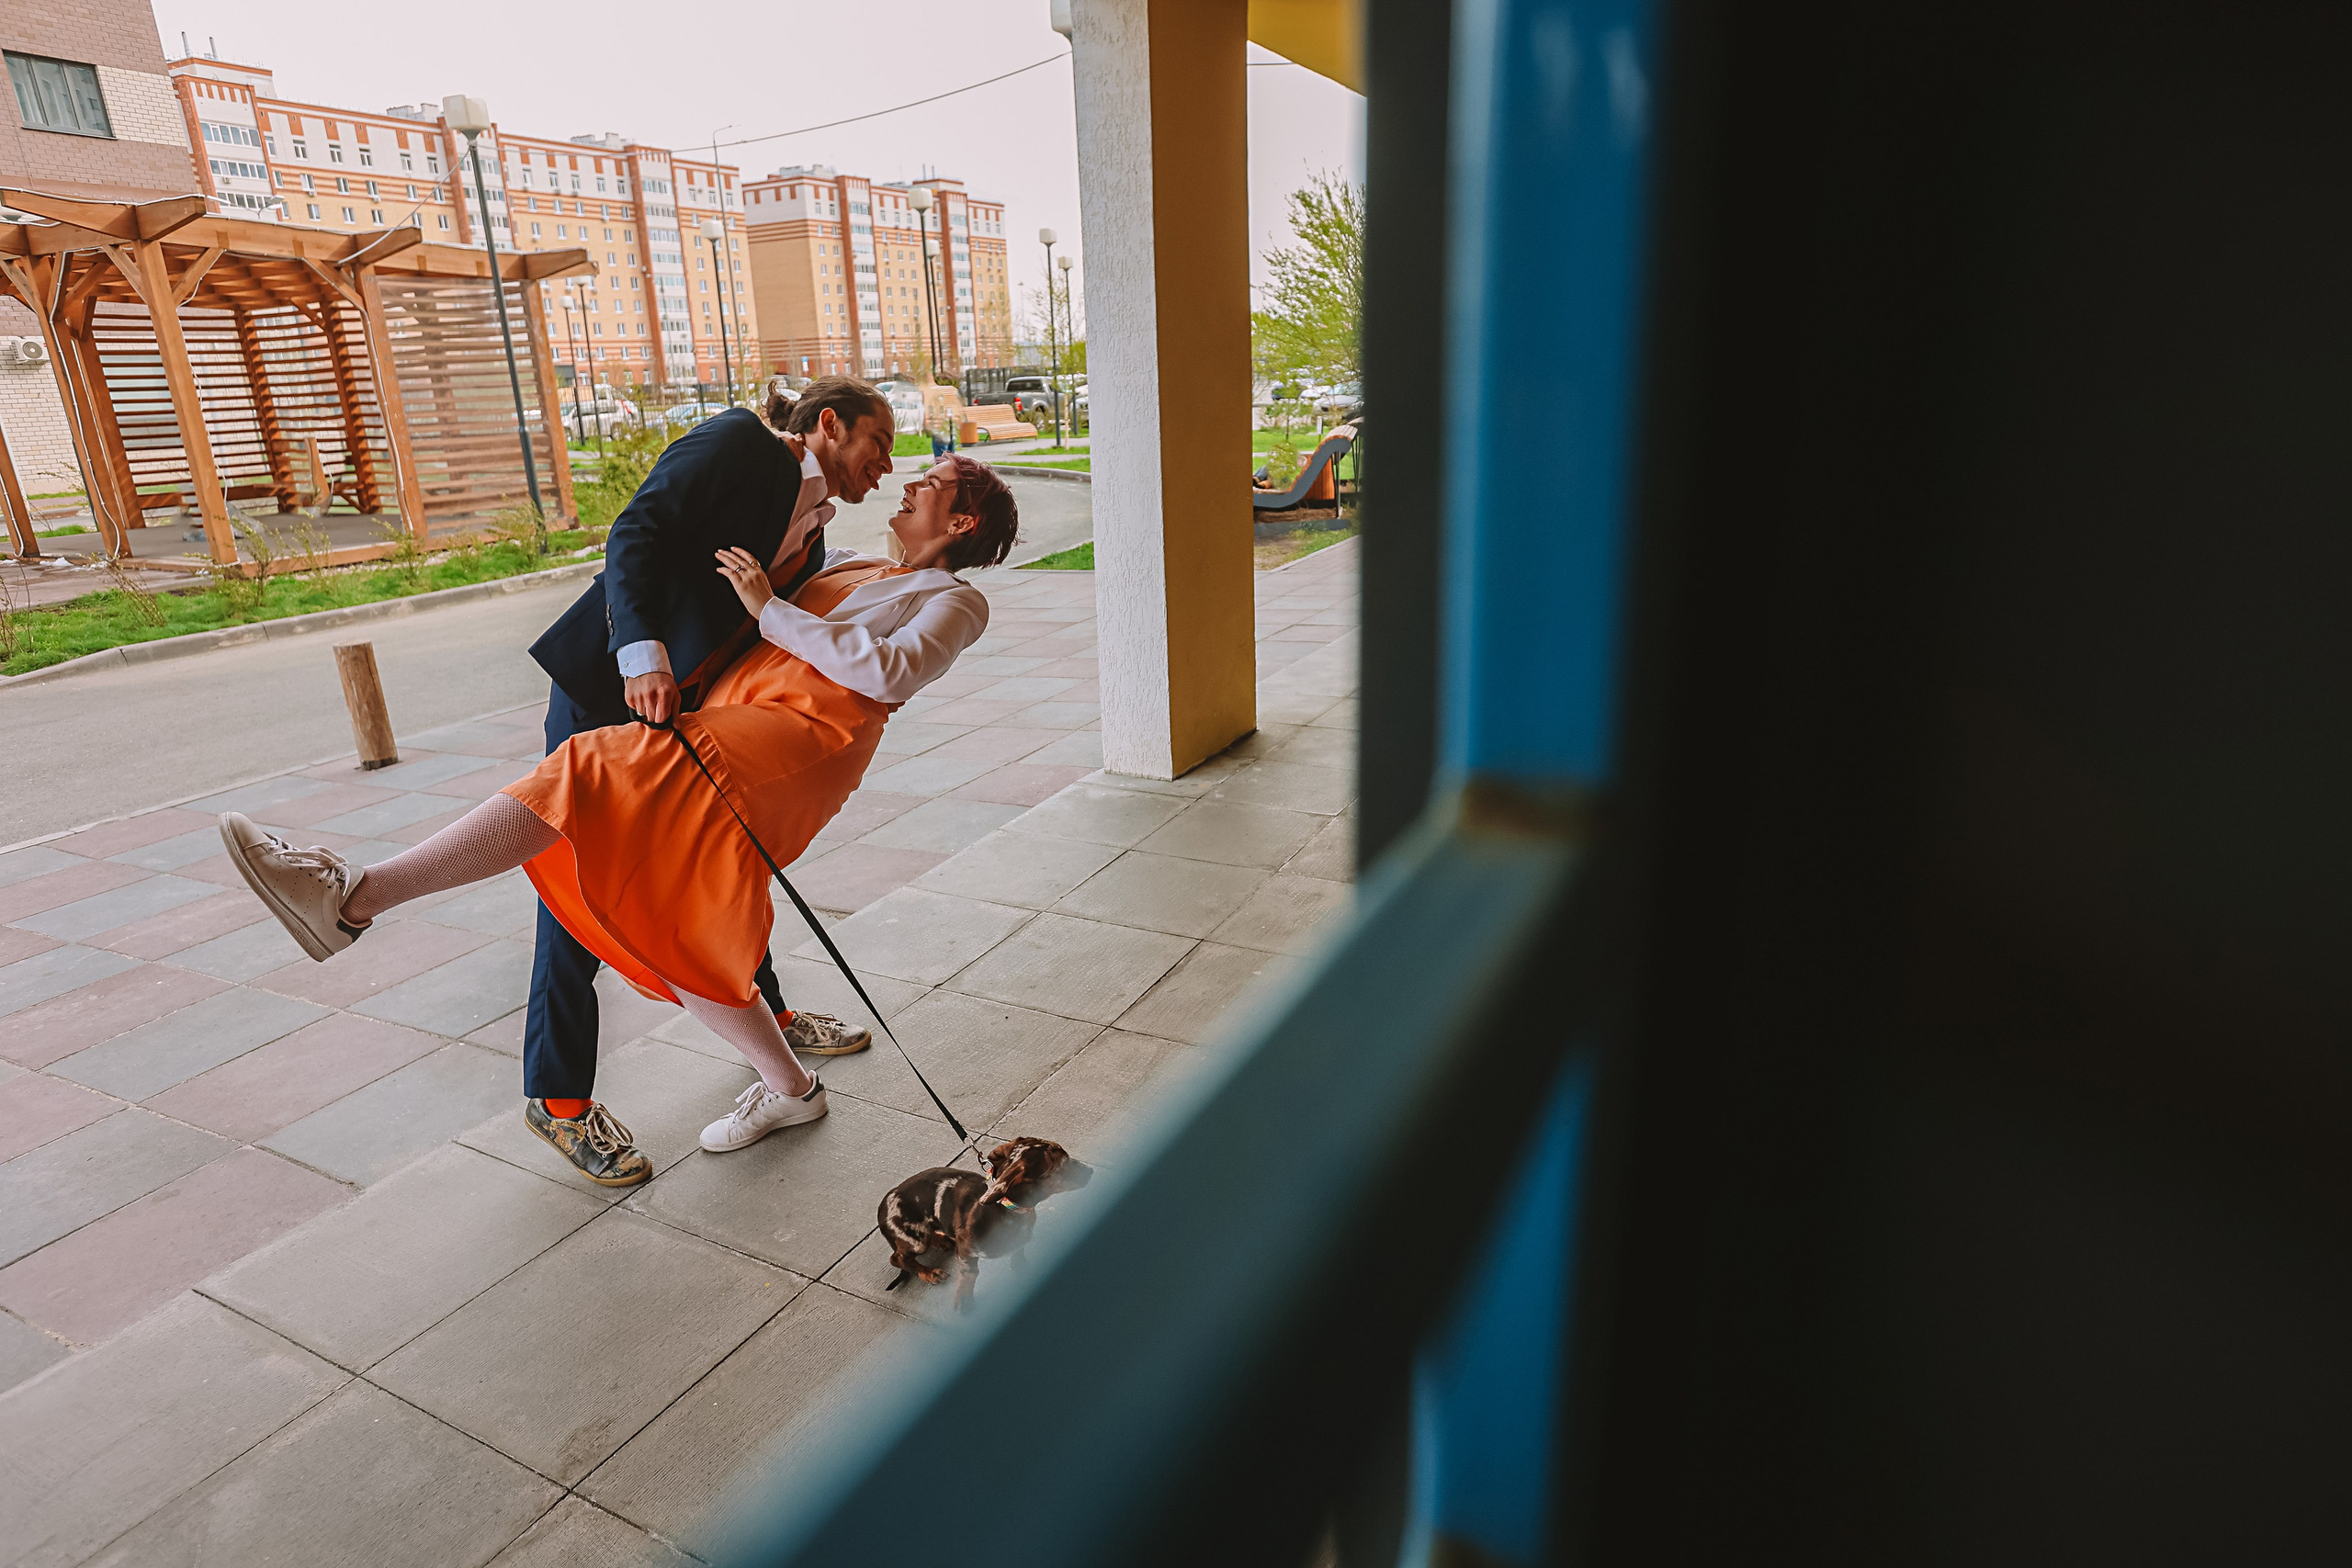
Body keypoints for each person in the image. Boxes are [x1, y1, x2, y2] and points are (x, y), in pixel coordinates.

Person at [219, 447, 1020, 1174]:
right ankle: (790, 1087)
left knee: (585, 771)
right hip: (738, 721)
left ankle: (353, 897)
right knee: (670, 910)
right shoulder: (853, 561)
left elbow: (888, 672)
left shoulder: (957, 601)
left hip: (797, 744)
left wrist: (769, 606)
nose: (908, 484)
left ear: (962, 521)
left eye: (931, 484)